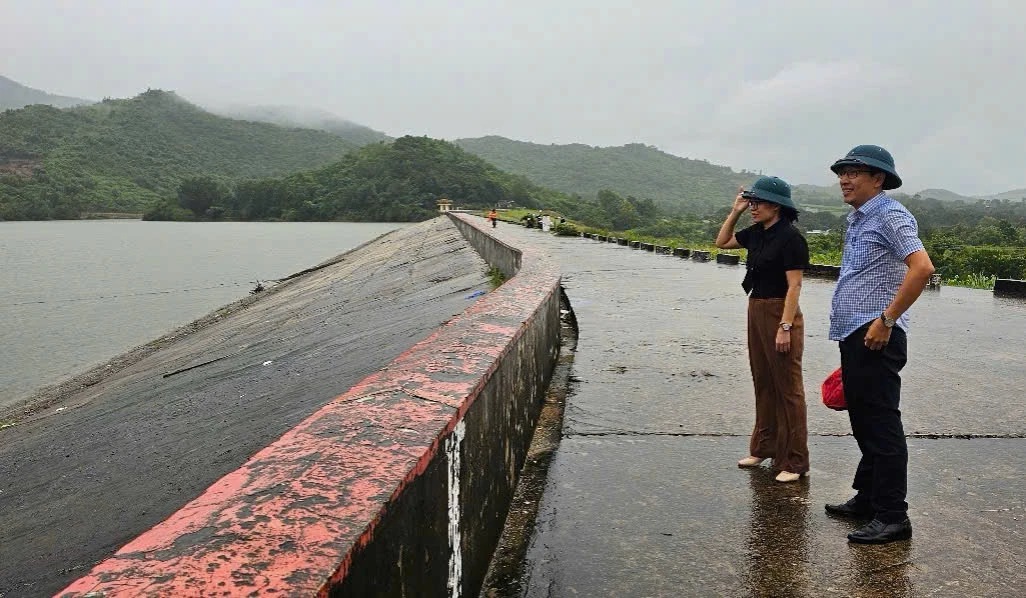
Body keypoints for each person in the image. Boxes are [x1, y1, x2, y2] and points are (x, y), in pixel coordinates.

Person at [823, 145, 935, 544]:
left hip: (876, 336)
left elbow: (922, 267)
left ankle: (893, 515)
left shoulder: (890, 215)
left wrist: (886, 320)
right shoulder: (859, 218)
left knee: (882, 425)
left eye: (855, 172)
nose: (844, 179)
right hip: (856, 332)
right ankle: (868, 498)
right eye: (842, 172)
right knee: (864, 422)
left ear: (879, 179)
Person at [715, 175, 810, 483]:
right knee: (763, 380)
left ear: (777, 205)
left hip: (781, 309)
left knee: (788, 388)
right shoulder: (756, 233)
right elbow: (722, 242)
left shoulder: (791, 238)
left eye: (757, 203)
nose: (753, 207)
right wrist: (736, 211)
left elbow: (794, 285)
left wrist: (785, 326)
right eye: (751, 202)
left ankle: (794, 461)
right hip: (756, 307)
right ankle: (763, 447)